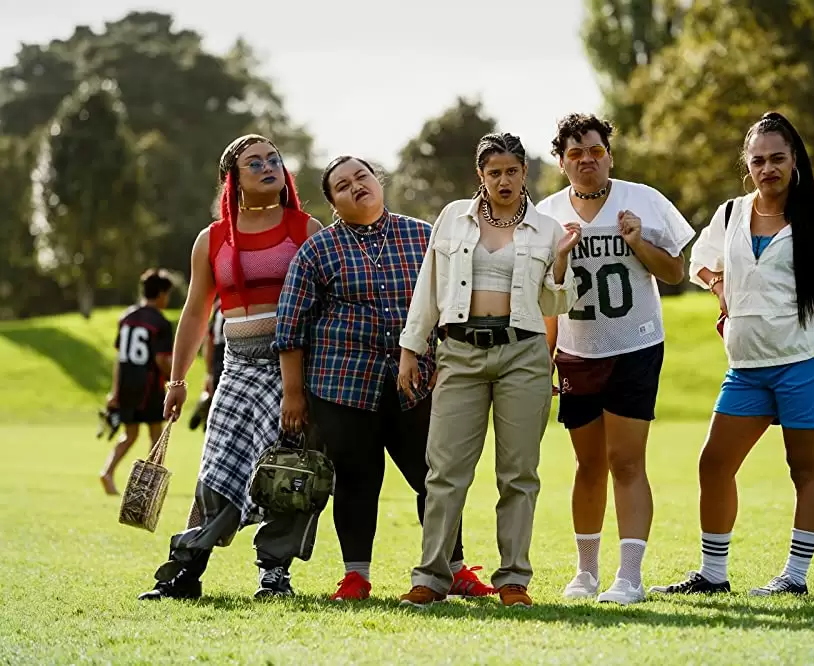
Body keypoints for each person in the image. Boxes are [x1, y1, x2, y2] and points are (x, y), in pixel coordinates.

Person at [650, 111, 814, 597]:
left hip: (803, 360)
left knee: (804, 469)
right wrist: (717, 283)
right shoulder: (730, 214)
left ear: (794, 162)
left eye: (777, 158)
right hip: (745, 368)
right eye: (759, 160)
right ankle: (713, 575)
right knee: (714, 463)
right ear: (748, 166)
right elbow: (701, 263)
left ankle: (794, 577)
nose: (768, 168)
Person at [275, 155, 493, 602]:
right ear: (333, 203)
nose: (355, 186)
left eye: (362, 176)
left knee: (436, 477)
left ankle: (451, 568)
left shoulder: (423, 236)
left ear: (378, 181)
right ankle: (356, 577)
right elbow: (290, 327)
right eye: (342, 185)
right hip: (342, 386)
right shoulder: (319, 250)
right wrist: (293, 395)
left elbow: (453, 303)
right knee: (357, 480)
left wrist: (448, 365)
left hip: (417, 384)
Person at [397, 132, 580, 609]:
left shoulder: (547, 229)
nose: (503, 180)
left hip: (523, 354)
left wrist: (561, 263)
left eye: (512, 171)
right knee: (444, 471)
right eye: (493, 172)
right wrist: (411, 348)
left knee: (518, 472)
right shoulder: (453, 219)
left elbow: (556, 301)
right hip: (459, 353)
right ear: (481, 175)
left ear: (525, 173)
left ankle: (514, 579)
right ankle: (432, 576)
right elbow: (428, 287)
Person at [138, 134, 324, 601]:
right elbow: (196, 313)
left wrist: (300, 383)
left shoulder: (307, 229)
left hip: (295, 370)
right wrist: (178, 381)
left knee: (289, 472)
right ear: (234, 179)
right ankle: (187, 571)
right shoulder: (213, 238)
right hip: (237, 369)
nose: (267, 167)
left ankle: (275, 576)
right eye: (254, 162)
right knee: (217, 471)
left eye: (273, 159)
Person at [536, 113, 696, 605]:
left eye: (596, 150)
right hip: (578, 352)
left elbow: (675, 273)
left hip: (635, 345)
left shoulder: (643, 199)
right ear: (561, 162)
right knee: (587, 465)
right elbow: (545, 300)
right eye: (576, 153)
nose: (587, 160)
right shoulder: (544, 215)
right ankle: (586, 572)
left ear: (610, 153)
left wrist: (638, 242)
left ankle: (629, 576)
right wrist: (559, 260)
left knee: (625, 460)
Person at [99, 269, 175, 495]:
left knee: (129, 434)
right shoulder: (160, 322)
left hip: (126, 385)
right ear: (161, 294)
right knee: (155, 434)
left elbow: (119, 358)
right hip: (149, 385)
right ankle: (150, 485)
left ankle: (108, 472)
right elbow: (161, 360)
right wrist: (176, 380)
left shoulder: (126, 317)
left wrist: (114, 392)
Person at [188, 299, 224, 431]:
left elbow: (209, 341)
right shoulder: (237, 300)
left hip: (218, 362)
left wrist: (209, 373)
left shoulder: (218, 306)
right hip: (233, 359)